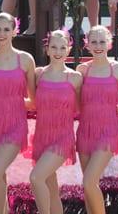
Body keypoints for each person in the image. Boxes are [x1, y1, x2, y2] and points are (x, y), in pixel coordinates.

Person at [0, 12, 35, 214]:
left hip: (14, 124)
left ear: (14, 31)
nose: (2, 33)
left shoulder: (25, 60)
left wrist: (15, 102)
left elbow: (34, 99)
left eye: (6, 29)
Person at [76, 25, 118, 214]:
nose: (98, 46)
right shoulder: (82, 70)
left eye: (102, 41)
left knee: (89, 181)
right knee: (88, 186)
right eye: (94, 42)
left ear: (109, 44)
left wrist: (117, 109)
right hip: (85, 132)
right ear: (87, 45)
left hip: (108, 131)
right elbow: (75, 103)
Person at [29, 30, 81, 214]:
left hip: (62, 138)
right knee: (51, 190)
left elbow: (82, 108)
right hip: (42, 137)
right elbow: (33, 103)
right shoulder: (39, 74)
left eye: (62, 47)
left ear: (68, 50)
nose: (58, 51)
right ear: (47, 49)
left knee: (36, 178)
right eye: (54, 47)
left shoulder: (75, 78)